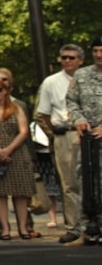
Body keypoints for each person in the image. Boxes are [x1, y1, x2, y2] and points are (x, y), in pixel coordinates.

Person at [37, 43, 86, 245]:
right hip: (65, 133)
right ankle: (73, 227)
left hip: (90, 133)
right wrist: (54, 132)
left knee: (93, 182)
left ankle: (94, 224)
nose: (67, 61)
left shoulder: (90, 79)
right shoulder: (51, 82)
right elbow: (43, 113)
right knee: (68, 183)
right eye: (64, 57)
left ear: (81, 60)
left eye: (71, 57)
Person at [0, 68, 38, 239]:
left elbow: (23, 132)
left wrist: (9, 149)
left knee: (20, 192)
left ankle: (22, 227)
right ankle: (5, 228)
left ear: (7, 90)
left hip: (17, 151)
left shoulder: (17, 108)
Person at [66, 35, 102, 242]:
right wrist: (79, 119)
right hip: (87, 141)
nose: (98, 55)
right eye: (95, 51)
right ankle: (89, 228)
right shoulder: (81, 75)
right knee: (85, 182)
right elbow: (71, 101)